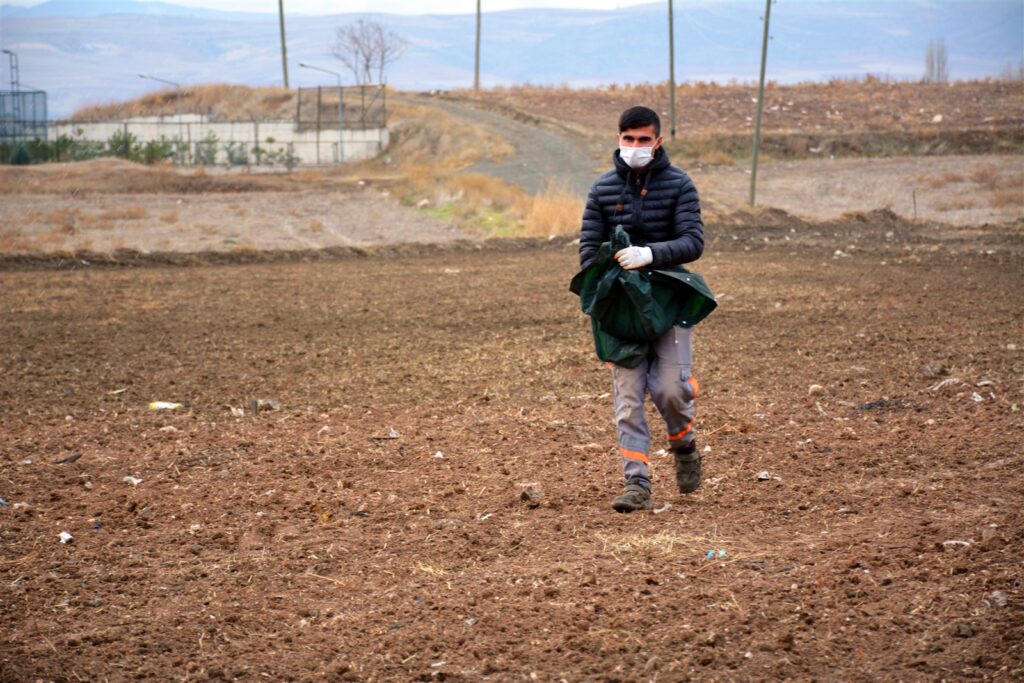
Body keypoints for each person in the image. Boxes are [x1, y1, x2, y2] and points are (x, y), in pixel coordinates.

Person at [578, 105, 705, 513]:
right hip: (620, 309)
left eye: (643, 140)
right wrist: (605, 270)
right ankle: (637, 484)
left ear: (658, 141)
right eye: (628, 139)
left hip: (668, 300)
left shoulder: (680, 185)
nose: (635, 146)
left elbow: (693, 241)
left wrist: (649, 254)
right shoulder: (601, 190)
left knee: (670, 390)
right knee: (628, 399)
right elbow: (586, 248)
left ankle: (684, 446)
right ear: (618, 139)